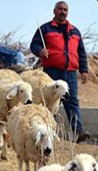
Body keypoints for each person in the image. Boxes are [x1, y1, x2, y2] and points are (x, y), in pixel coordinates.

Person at [30, 1, 90, 143]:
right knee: (51, 101)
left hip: (70, 73)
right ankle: (49, 129)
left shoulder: (75, 31)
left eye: (65, 9)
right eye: (60, 9)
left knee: (72, 101)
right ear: (54, 11)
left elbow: (81, 52)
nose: (63, 12)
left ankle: (78, 131)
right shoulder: (45, 29)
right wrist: (40, 51)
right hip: (52, 72)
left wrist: (84, 70)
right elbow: (34, 44)